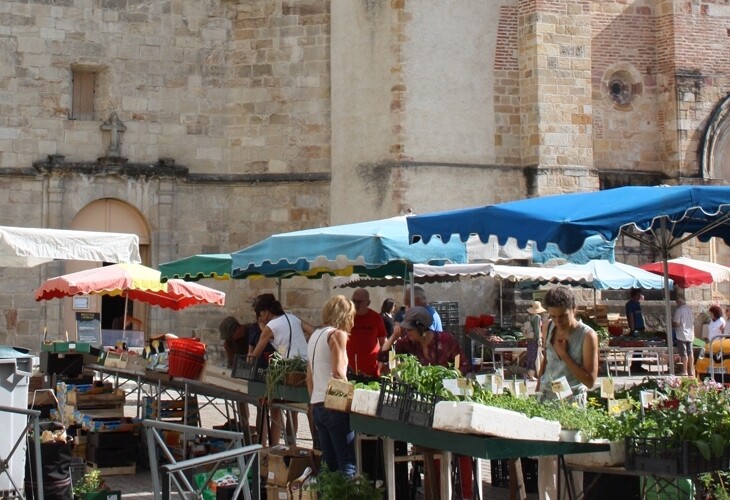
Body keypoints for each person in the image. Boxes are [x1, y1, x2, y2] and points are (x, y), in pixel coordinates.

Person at [535, 286, 598, 500]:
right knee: (546, 460)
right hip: (547, 400)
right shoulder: (548, 327)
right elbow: (547, 358)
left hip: (572, 404)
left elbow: (590, 380)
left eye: (563, 316)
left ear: (574, 309)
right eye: (553, 316)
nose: (558, 321)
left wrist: (565, 355)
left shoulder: (588, 336)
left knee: (570, 463)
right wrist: (538, 387)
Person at [249, 293, 315, 445]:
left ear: (266, 312)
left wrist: (247, 361)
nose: (261, 319)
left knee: (273, 403)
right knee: (309, 407)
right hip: (307, 369)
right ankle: (314, 443)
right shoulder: (293, 318)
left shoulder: (269, 327)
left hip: (290, 373)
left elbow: (255, 354)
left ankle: (271, 445)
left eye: (260, 315)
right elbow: (313, 331)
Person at [306, 295, 357, 478]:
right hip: (334, 405)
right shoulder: (337, 335)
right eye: (351, 316)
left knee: (329, 464)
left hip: (318, 405)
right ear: (345, 316)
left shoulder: (314, 336)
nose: (352, 321)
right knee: (347, 463)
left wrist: (314, 401)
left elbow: (308, 378)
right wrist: (353, 394)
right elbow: (338, 373)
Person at [380, 306, 470, 374]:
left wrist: (450, 378)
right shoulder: (408, 342)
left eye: (410, 329)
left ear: (421, 329)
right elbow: (383, 356)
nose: (407, 332)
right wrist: (393, 337)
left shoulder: (446, 340)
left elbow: (464, 365)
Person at [347, 288, 387, 378]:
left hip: (371, 369)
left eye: (359, 302)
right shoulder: (347, 317)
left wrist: (381, 364)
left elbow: (383, 342)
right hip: (349, 368)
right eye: (353, 301)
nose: (355, 305)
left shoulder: (376, 318)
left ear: (368, 303)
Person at [625, 288, 648, 373]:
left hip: (641, 327)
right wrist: (633, 329)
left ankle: (638, 365)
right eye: (638, 295)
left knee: (640, 348)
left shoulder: (637, 303)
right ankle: (634, 366)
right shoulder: (630, 304)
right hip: (636, 328)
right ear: (634, 295)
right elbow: (631, 316)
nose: (640, 296)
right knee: (637, 347)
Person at [673, 296, 695, 377]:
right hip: (690, 333)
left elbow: (677, 323)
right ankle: (691, 370)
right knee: (690, 352)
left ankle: (685, 370)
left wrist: (672, 324)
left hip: (682, 334)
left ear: (679, 302)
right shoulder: (690, 310)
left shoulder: (679, 311)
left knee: (684, 353)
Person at [525, 301, 546, 381]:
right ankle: (531, 375)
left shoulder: (529, 317)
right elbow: (537, 330)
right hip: (534, 340)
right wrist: (539, 339)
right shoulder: (537, 317)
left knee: (530, 356)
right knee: (534, 357)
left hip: (529, 339)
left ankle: (529, 374)